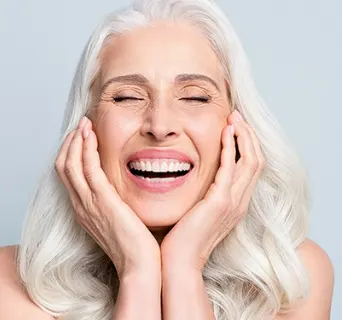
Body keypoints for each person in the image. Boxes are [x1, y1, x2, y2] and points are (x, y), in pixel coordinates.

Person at [0, 0, 334, 319]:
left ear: (238, 126)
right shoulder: (12, 284)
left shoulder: (291, 277)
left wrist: (183, 265)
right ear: (86, 128)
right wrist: (138, 271)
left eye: (194, 96)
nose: (160, 126)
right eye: (128, 96)